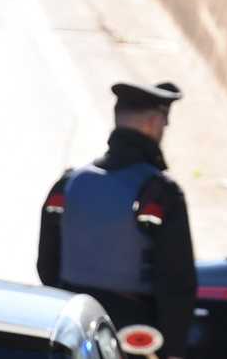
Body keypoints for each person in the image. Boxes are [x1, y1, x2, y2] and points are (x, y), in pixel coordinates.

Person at [38, 82, 196, 359]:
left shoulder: (68, 185)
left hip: (73, 332)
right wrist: (171, 351)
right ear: (152, 122)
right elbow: (177, 284)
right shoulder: (161, 194)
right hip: (135, 341)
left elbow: (46, 265)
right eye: (163, 124)